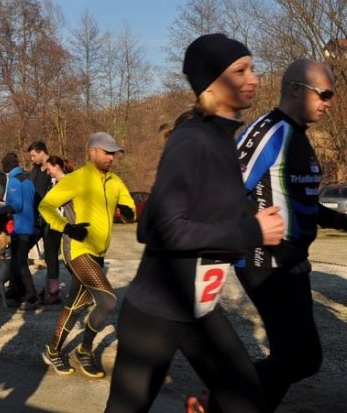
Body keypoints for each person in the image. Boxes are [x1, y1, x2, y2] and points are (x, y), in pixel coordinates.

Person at [105, 33, 285, 413]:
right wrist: (252, 230)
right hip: (157, 311)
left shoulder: (221, 141)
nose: (253, 78)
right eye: (240, 70)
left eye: (251, 68)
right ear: (212, 83)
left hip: (200, 308)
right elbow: (157, 228)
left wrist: (254, 220)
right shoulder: (192, 141)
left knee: (246, 399)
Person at [235, 58, 341, 411]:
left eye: (332, 95)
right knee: (302, 357)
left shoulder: (298, 136)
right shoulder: (268, 131)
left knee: (291, 357)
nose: (329, 102)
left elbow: (304, 204)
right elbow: (227, 190)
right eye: (324, 94)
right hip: (264, 261)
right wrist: (279, 248)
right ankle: (224, 397)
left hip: (291, 263)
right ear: (296, 89)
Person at [38, 132, 134, 377]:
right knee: (107, 300)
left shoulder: (115, 182)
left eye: (114, 153)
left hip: (98, 252)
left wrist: (127, 212)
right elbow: (46, 206)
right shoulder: (76, 179)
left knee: (75, 304)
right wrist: (67, 227)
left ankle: (52, 349)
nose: (111, 158)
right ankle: (85, 350)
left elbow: (130, 210)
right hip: (77, 249)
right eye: (107, 152)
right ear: (92, 151)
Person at [0, 152, 40, 311]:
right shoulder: (27, 180)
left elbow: (16, 205)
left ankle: (31, 297)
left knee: (20, 264)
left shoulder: (14, 181)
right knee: (16, 262)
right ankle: (16, 294)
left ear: (7, 167)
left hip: (19, 227)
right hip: (29, 226)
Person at [27, 140, 59, 304]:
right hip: (36, 219)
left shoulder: (54, 168)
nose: (32, 159)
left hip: (52, 220)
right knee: (22, 249)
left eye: (33, 155)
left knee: (51, 256)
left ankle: (52, 291)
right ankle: (22, 287)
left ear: (42, 152)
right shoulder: (34, 171)